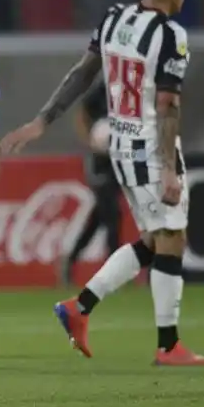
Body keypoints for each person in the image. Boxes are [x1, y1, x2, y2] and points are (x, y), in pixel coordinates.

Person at [0, 0, 204, 366]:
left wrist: (44, 119)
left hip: (120, 144)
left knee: (156, 239)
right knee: (172, 237)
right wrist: (169, 167)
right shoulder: (172, 35)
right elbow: (168, 104)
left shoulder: (114, 18)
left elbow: (82, 72)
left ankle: (79, 308)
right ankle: (168, 347)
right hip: (152, 147)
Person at [58, 78, 122, 287]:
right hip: (99, 162)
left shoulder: (133, 91)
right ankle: (114, 273)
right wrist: (89, 142)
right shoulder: (102, 90)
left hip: (119, 161)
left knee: (98, 218)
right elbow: (81, 114)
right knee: (113, 215)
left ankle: (70, 260)